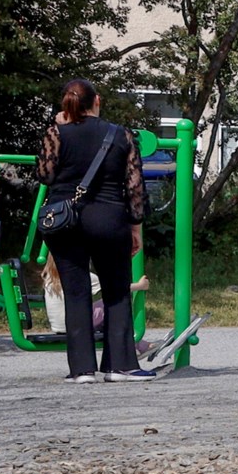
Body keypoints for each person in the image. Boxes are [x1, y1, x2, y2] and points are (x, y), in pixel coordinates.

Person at [35, 78, 148, 381]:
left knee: (75, 292)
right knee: (116, 291)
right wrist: (135, 227)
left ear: (67, 105)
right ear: (97, 100)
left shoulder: (55, 133)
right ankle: (120, 365)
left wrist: (57, 128)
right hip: (109, 220)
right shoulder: (121, 135)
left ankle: (82, 370)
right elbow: (135, 186)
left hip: (64, 221)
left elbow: (45, 176)